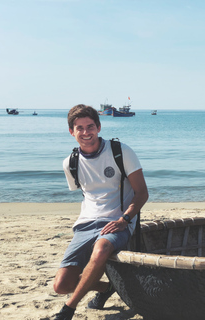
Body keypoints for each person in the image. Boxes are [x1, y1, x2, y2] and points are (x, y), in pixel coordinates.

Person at [52, 104, 149, 320]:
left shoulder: (120, 152)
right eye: (80, 128)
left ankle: (68, 309)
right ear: (71, 132)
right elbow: (89, 194)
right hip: (86, 223)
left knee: (102, 247)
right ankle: (106, 288)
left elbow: (142, 193)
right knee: (61, 284)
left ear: (99, 127)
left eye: (90, 127)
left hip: (119, 221)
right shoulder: (70, 163)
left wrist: (125, 219)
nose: (86, 133)